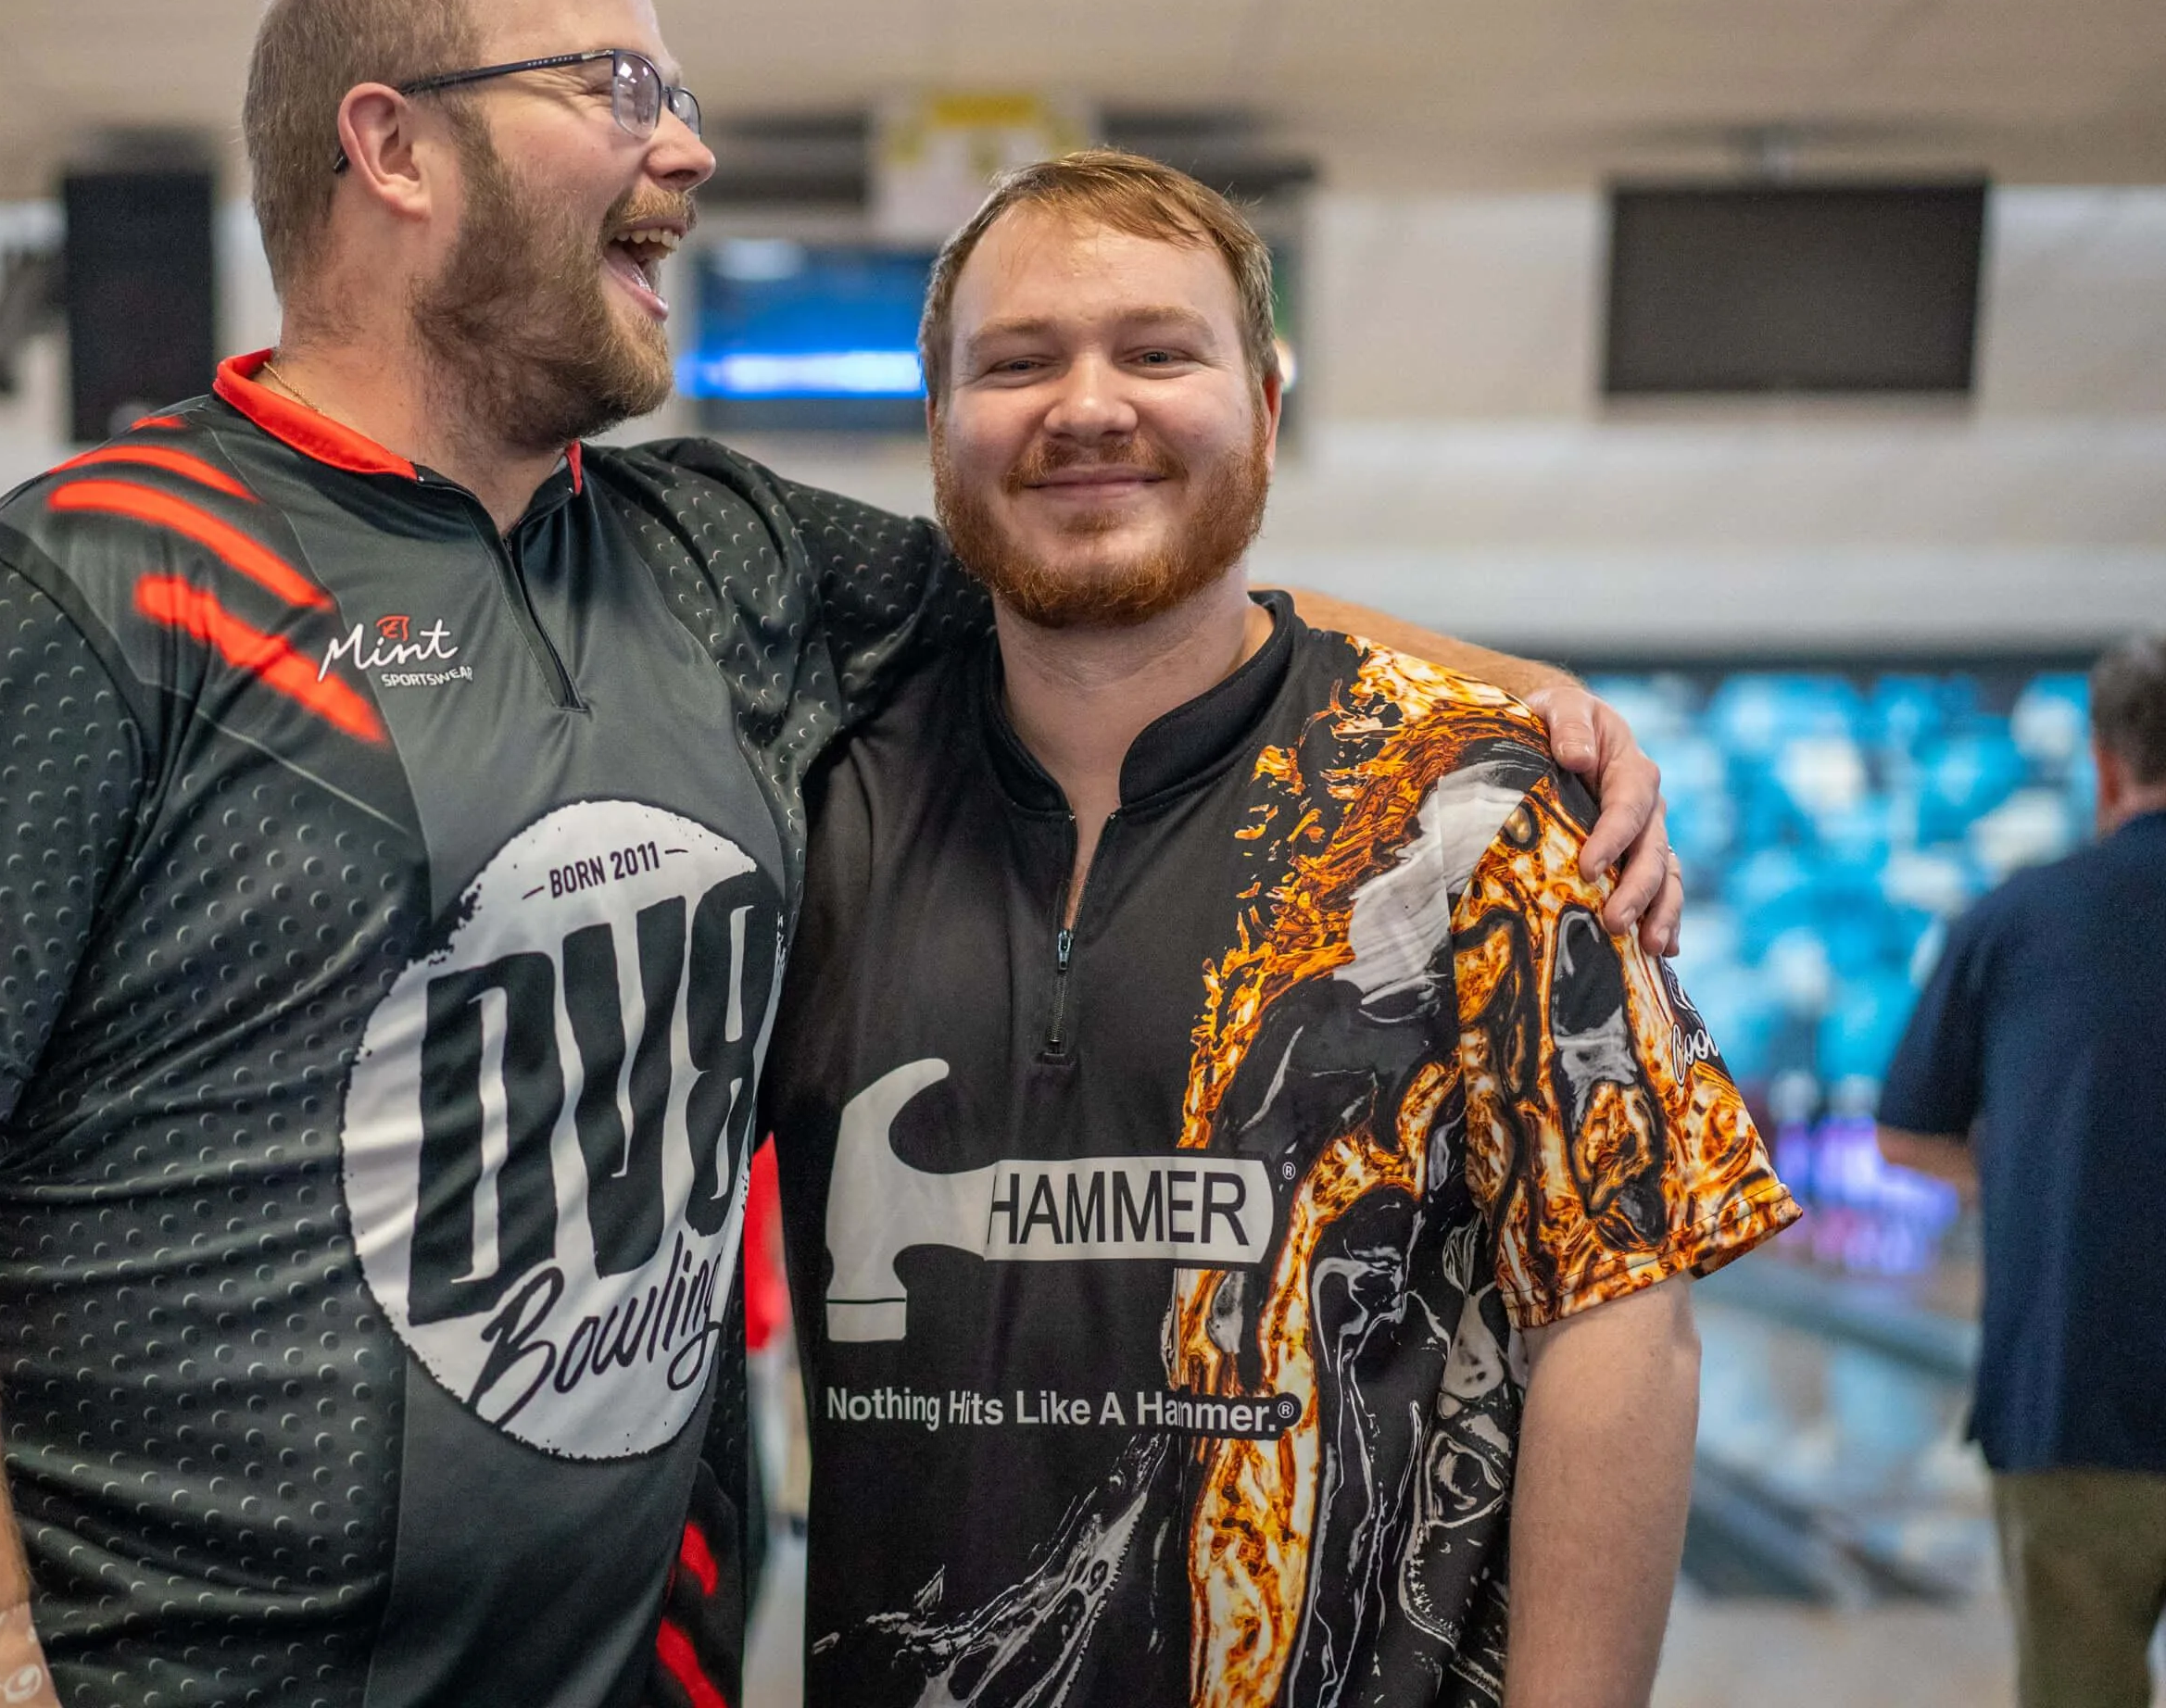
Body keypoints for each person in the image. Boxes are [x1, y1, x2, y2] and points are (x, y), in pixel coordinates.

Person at [0, 0, 1682, 1708]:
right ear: (393, 147)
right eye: (620, 88)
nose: (692, 151)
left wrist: (1523, 707)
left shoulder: (715, 555)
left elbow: (1120, 591)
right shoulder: (92, 582)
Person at [761, 149, 1799, 1708]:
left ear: (1261, 399)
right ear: (939, 421)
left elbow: (1621, 1325)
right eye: (1018, 363)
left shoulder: (1479, 817)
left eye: (1156, 352)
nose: (1087, 406)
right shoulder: (813, 810)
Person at [1878, 632, 2166, 1708]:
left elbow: (1904, 1134)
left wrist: (2044, 1172)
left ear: (2103, 763)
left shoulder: (2011, 918)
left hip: (2068, 1396)